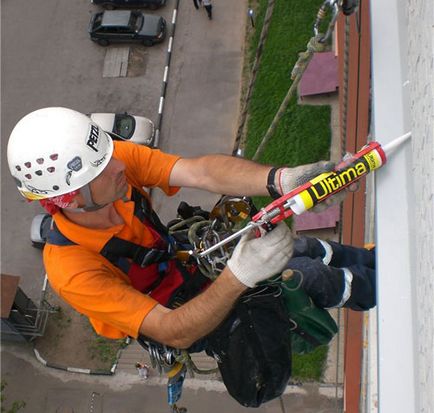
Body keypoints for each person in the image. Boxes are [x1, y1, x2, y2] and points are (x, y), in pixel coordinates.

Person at [7, 107, 371, 350]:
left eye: (109, 154)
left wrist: (281, 180)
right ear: (71, 198)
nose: (119, 164)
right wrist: (240, 275)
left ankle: (368, 260)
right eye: (100, 169)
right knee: (306, 278)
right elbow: (172, 331)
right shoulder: (72, 270)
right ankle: (384, 284)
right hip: (180, 313)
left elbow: (200, 171)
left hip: (185, 263)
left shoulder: (113, 166)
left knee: (300, 248)